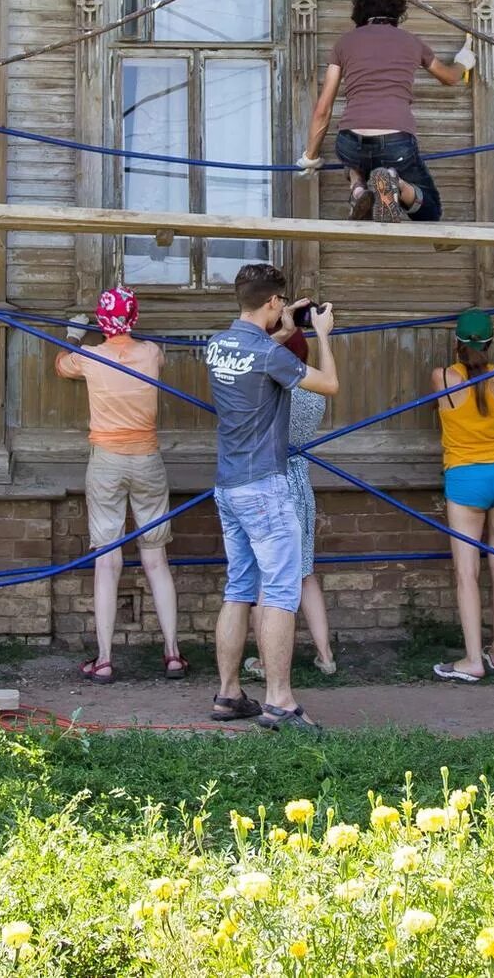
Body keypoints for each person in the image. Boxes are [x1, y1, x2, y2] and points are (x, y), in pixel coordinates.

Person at [203, 262, 338, 731]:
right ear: (273, 302)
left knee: (238, 589)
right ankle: (279, 699)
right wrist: (321, 333)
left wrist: (283, 323)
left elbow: (260, 355)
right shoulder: (269, 354)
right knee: (280, 592)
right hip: (265, 486)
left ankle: (228, 693)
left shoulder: (218, 346)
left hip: (228, 485)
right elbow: (329, 385)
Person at [54, 286, 187, 683]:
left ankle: (106, 658)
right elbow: (153, 353)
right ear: (134, 317)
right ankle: (174, 654)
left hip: (107, 462)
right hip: (147, 458)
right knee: (156, 560)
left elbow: (61, 365)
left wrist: (73, 334)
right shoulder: (151, 354)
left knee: (107, 561)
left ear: (101, 320)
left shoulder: (91, 357)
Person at [298, 0, 472, 221]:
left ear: (361, 5)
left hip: (351, 141)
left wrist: (311, 158)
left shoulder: (344, 44)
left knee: (353, 160)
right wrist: (464, 61)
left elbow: (322, 109)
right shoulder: (412, 43)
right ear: (400, 8)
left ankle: (359, 191)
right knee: (430, 210)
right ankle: (395, 183)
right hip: (395, 143)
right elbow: (450, 77)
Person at [430, 309, 494, 684]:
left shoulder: (443, 377)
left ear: (456, 342)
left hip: (466, 477)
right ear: (489, 341)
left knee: (467, 573)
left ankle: (472, 659)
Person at [251, 326, 339, 680]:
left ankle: (263, 660)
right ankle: (326, 655)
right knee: (305, 574)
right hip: (301, 482)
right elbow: (328, 376)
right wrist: (325, 337)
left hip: (269, 481)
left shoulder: (267, 392)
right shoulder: (313, 393)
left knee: (264, 576)